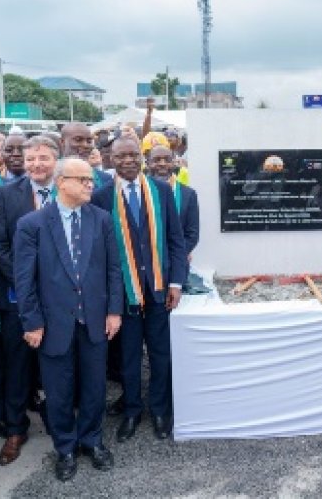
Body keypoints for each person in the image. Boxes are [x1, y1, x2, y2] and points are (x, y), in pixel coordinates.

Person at [14, 157, 123, 482]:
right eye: (83, 180)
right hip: (53, 323)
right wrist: (31, 322)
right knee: (59, 391)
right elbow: (24, 279)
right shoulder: (32, 224)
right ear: (62, 182)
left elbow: (113, 268)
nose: (91, 185)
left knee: (94, 387)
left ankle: (92, 439)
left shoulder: (101, 219)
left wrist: (114, 310)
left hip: (94, 320)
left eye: (91, 179)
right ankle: (65, 446)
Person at [91, 138, 188, 443]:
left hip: (159, 291)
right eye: (122, 156)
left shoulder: (160, 191)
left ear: (142, 158)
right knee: (129, 357)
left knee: (161, 355)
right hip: (124, 295)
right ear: (112, 159)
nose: (129, 160)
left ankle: (159, 410)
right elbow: (101, 252)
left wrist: (176, 283)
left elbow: (176, 239)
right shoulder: (102, 196)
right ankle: (132, 410)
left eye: (134, 155)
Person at [0, 136, 60, 465]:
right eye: (30, 159)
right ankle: (16, 428)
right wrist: (26, 282)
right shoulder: (5, 195)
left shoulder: (69, 192)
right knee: (17, 364)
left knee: (58, 362)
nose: (36, 165)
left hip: (62, 298)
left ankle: (60, 424)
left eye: (43, 158)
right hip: (18, 296)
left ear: (56, 159)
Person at [61, 123, 113, 189]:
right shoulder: (49, 175)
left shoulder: (105, 179)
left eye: (89, 141)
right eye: (78, 140)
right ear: (62, 142)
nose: (85, 145)